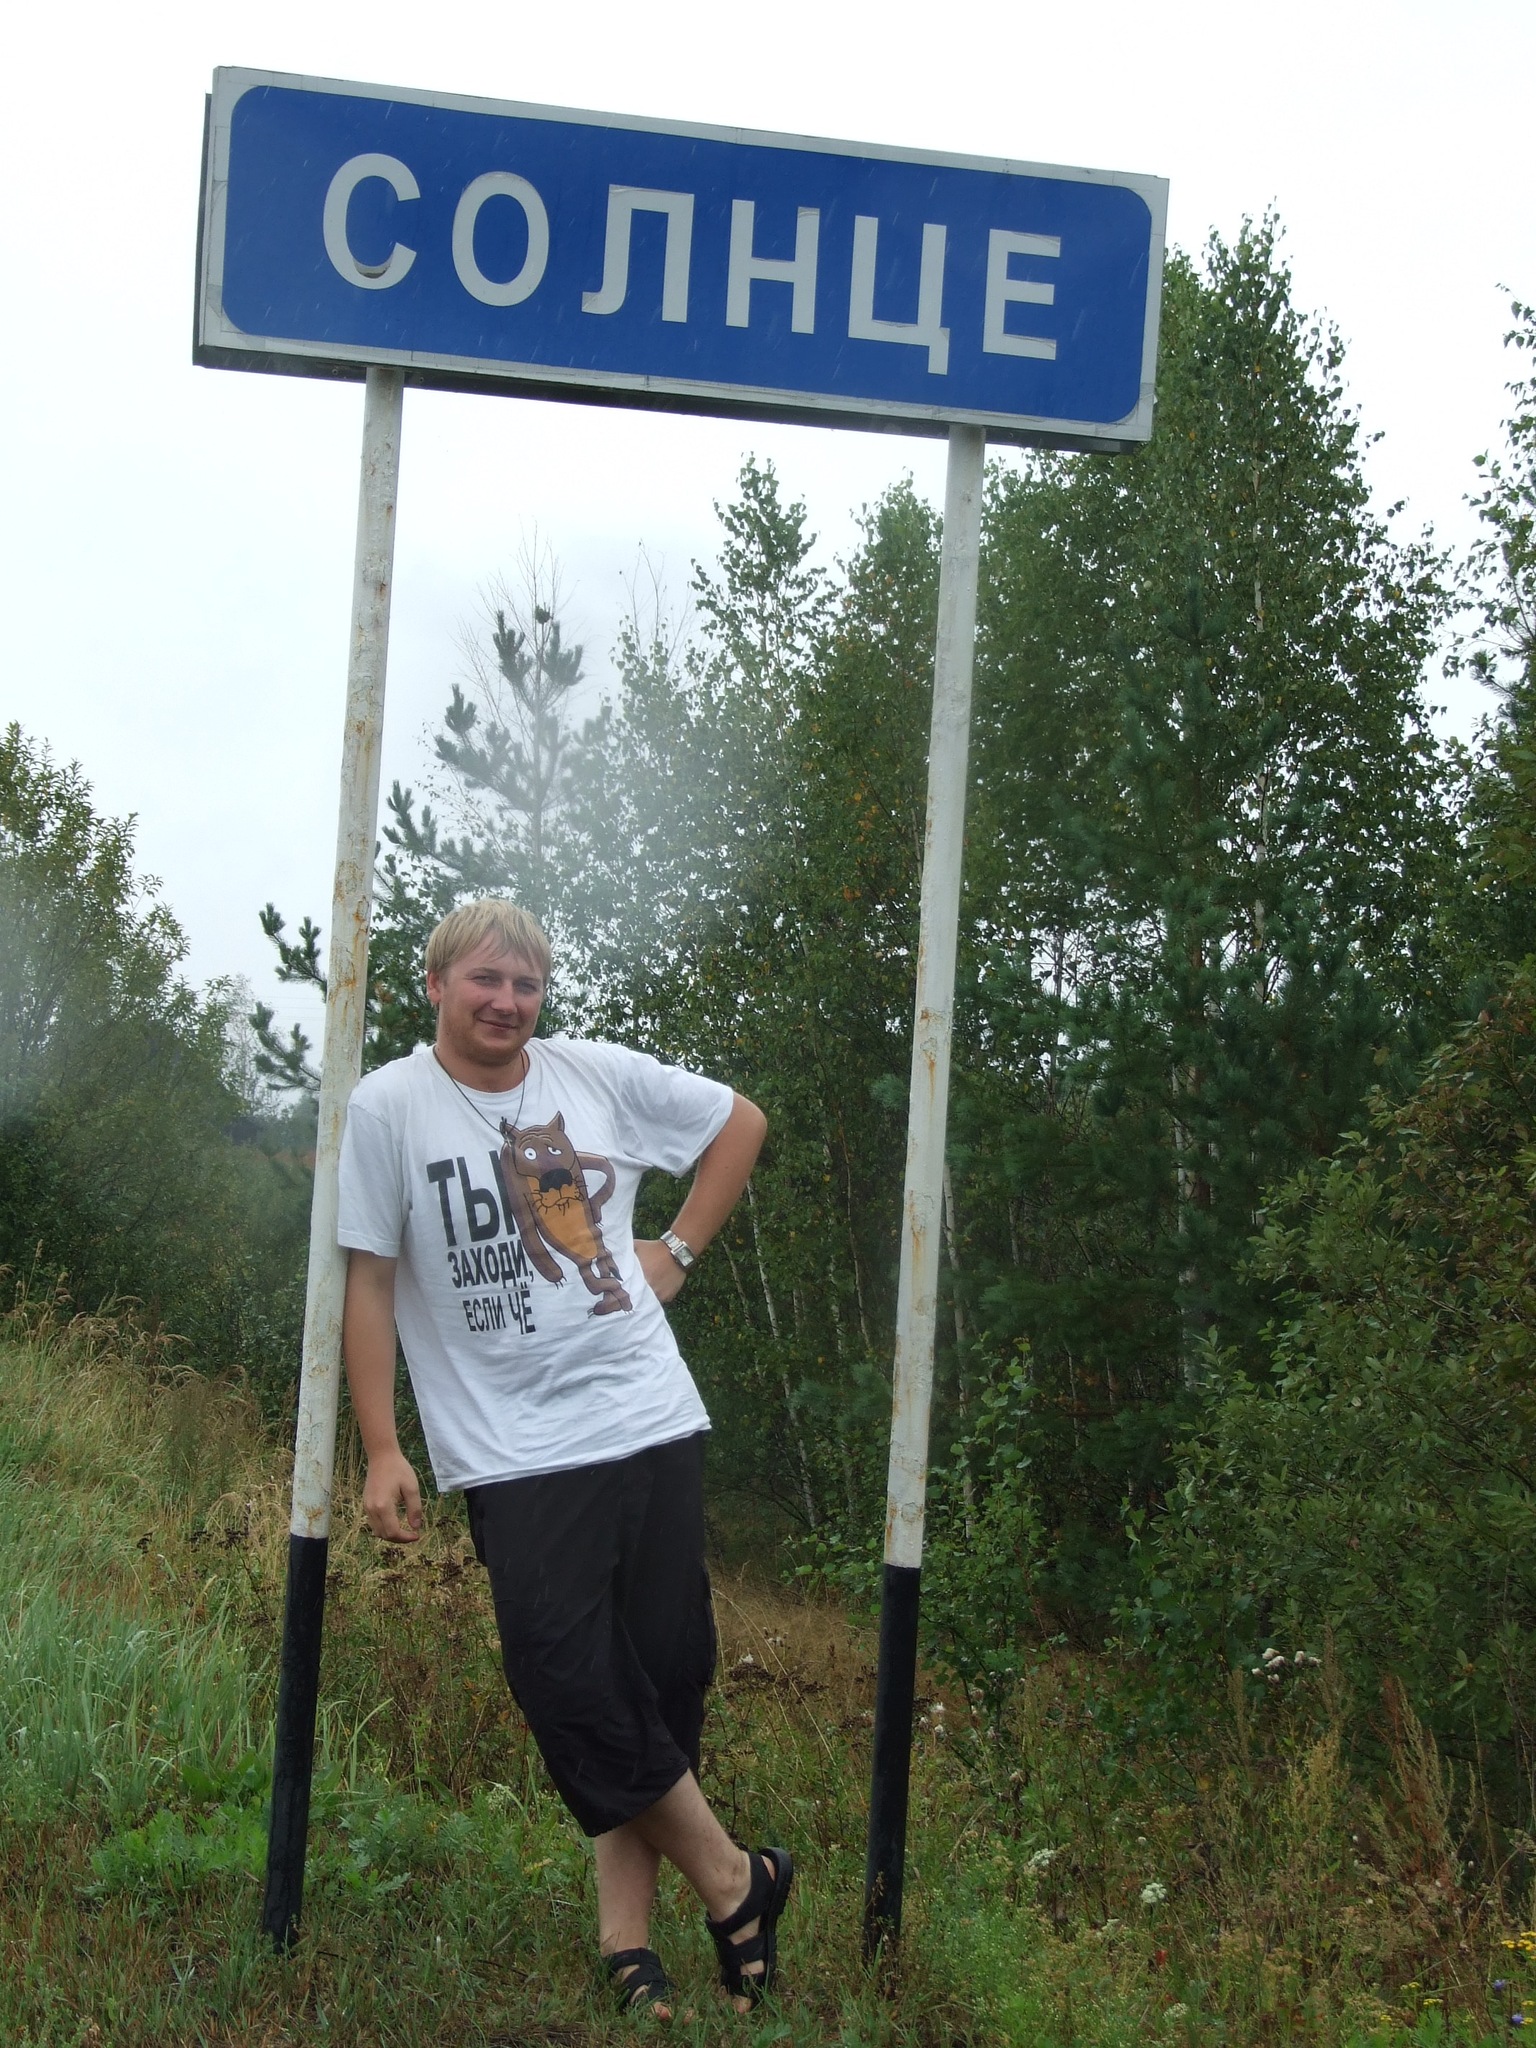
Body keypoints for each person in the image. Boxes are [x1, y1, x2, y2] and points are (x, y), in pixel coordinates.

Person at [336, 898, 791, 2019]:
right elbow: (371, 1279)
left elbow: (739, 1121)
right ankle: (737, 1880)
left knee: (660, 1676)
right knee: (564, 1676)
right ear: (435, 984)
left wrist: (677, 1250)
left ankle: (629, 1944)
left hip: (646, 1414)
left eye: (526, 985)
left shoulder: (592, 1075)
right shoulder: (389, 1105)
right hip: (511, 1446)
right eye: (485, 980)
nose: (507, 1002)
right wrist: (383, 1446)